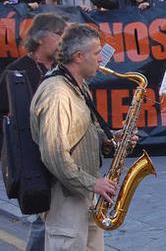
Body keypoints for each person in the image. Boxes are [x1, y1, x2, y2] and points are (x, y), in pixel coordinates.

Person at [30, 24, 137, 251]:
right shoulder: (57, 94)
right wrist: (93, 183)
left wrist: (113, 139)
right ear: (79, 56)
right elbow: (54, 154)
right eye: (97, 53)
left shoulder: (78, 86)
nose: (101, 59)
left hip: (86, 194)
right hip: (67, 197)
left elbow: (86, 129)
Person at [0, 13, 67, 251]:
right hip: (33, 156)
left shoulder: (63, 68)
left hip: (63, 152)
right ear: (40, 37)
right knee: (43, 219)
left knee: (54, 219)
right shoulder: (16, 71)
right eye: (58, 33)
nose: (63, 39)